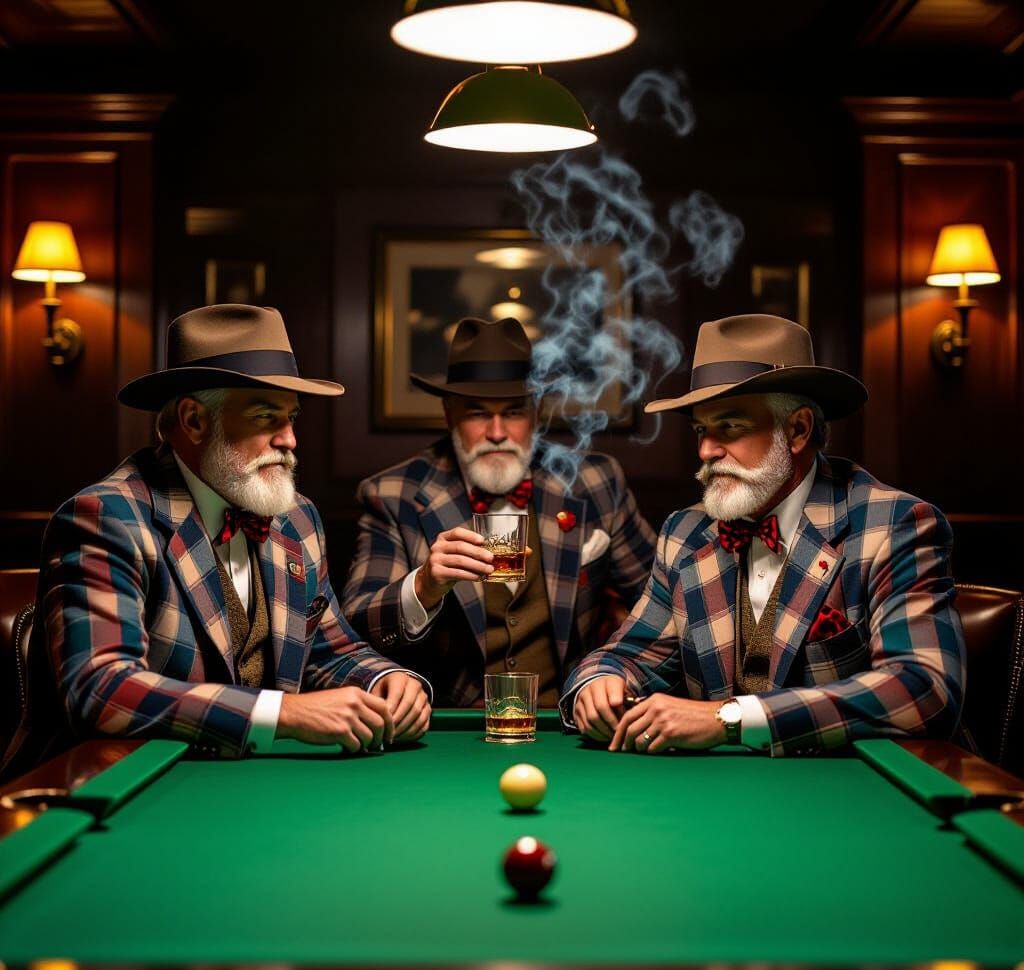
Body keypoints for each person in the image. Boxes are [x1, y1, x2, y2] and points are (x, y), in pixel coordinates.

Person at [9, 304, 430, 774]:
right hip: (112, 786)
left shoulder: (298, 518)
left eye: (292, 417)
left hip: (250, 784)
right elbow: (101, 689)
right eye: (266, 416)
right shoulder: (106, 517)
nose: (290, 439)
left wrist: (387, 681)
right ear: (193, 420)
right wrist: (281, 713)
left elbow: (332, 651)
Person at [562, 313, 965, 756]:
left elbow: (923, 687)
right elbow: (628, 655)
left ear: (797, 430)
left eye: (730, 427)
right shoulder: (685, 533)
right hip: (720, 800)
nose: (706, 450)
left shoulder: (895, 524)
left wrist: (730, 718)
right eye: (701, 429)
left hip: (849, 797)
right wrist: (598, 682)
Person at [342, 317, 657, 706]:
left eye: (512, 412)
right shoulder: (394, 495)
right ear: (449, 414)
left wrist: (615, 671)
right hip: (450, 734)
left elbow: (661, 603)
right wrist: (423, 586)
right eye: (476, 413)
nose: (495, 432)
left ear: (536, 413)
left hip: (568, 724)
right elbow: (355, 629)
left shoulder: (595, 483)